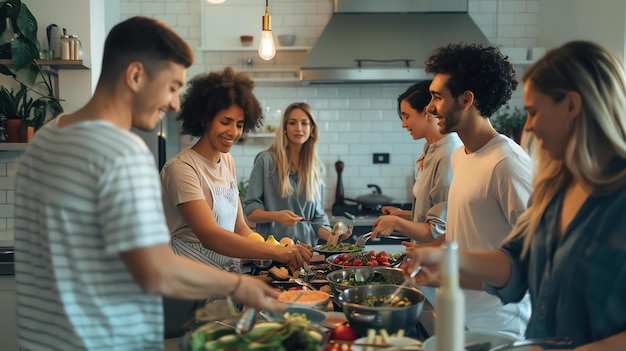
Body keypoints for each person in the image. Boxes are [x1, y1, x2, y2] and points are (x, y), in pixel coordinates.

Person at [13, 17, 284, 351]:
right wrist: (239, 286)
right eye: (171, 86)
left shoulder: (44, 139)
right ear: (136, 75)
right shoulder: (122, 153)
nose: (173, 104)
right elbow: (157, 270)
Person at [404, 40, 626, 350]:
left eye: (533, 112)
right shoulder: (556, 187)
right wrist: (445, 260)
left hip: (503, 328)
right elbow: (518, 263)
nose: (529, 126)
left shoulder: (616, 201)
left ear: (572, 107)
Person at [159, 69, 313, 334]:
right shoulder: (181, 168)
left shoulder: (227, 161)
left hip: (224, 283)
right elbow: (211, 236)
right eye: (225, 121)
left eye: (240, 125)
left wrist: (276, 252)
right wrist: (278, 253)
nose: (233, 132)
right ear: (205, 119)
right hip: (187, 289)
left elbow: (241, 227)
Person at [415, 42, 534, 339]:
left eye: (437, 97)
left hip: (498, 327)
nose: (429, 108)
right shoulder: (461, 155)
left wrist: (453, 273)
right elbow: (465, 232)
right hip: (455, 314)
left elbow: (532, 261)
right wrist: (428, 253)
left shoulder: (508, 164)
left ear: (466, 100)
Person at [243, 102, 351, 246]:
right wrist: (277, 217)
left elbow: (317, 220)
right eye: (292, 123)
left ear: (311, 129)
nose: (299, 128)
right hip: (272, 253)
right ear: (285, 128)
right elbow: (250, 212)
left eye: (304, 123)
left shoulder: (317, 168)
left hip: (306, 253)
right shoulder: (265, 160)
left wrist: (334, 238)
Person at [370, 80, 462, 244]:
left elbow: (438, 230)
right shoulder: (431, 149)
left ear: (427, 112)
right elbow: (429, 215)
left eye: (407, 116)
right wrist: (401, 214)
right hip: (424, 260)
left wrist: (397, 223)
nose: (404, 124)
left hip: (437, 264)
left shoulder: (447, 154)